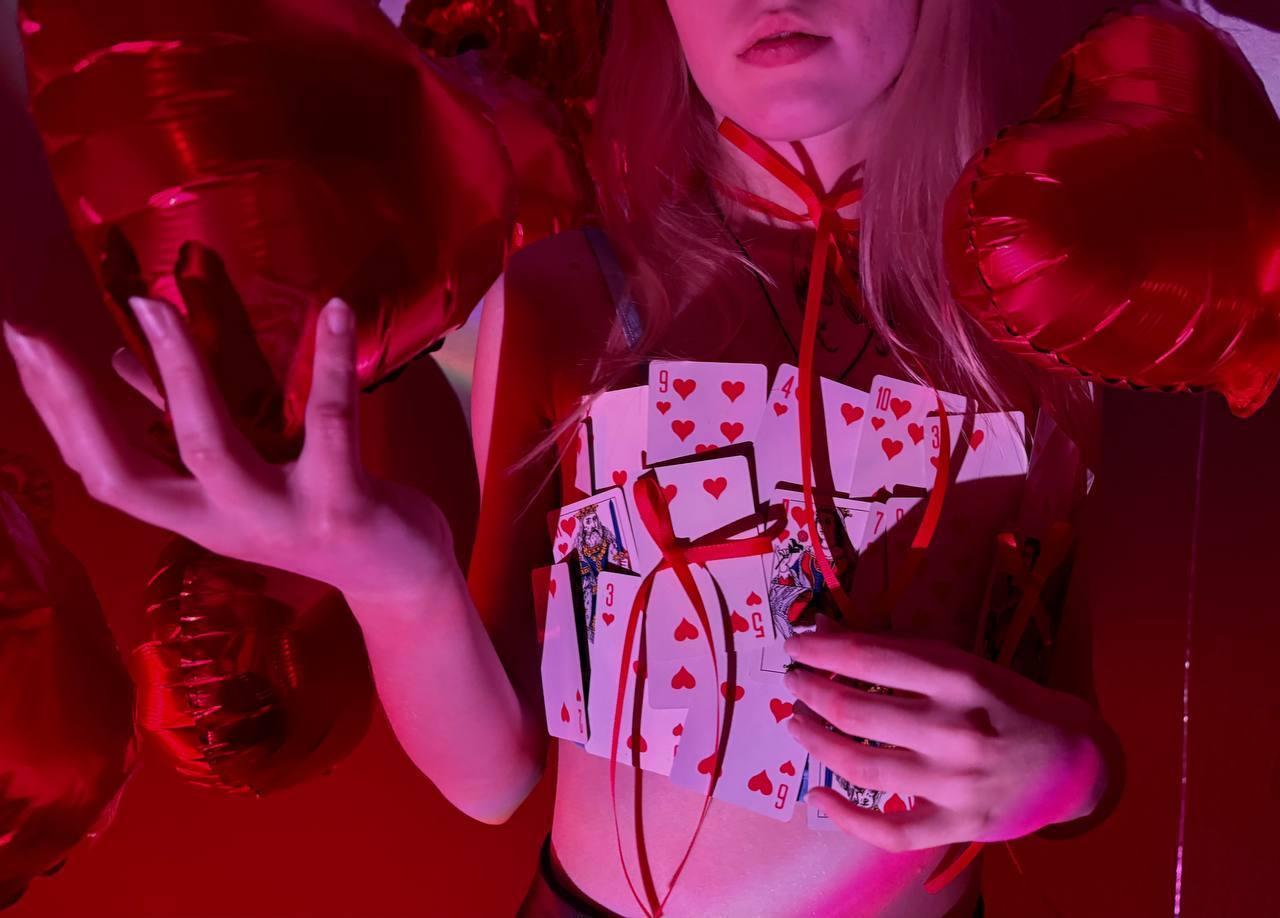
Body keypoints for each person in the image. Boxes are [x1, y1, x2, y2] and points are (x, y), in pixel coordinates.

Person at [2, 1, 1126, 915]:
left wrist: (1066, 774)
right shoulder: (569, 297)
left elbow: (1071, 719)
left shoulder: (1037, 315)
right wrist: (399, 578)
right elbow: (498, 774)